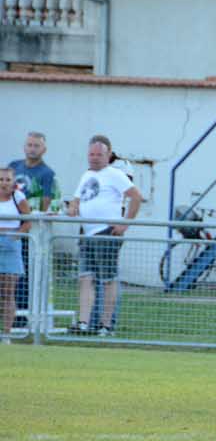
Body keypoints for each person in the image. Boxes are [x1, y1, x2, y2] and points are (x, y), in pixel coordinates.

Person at [64, 135, 142, 337]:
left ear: (108, 155)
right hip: (87, 233)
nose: (95, 158)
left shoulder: (115, 174)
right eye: (91, 154)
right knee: (85, 278)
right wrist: (73, 207)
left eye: (99, 154)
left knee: (108, 279)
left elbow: (135, 197)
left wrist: (125, 223)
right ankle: (83, 322)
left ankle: (106, 325)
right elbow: (76, 199)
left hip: (105, 232)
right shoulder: (86, 175)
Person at [8, 131, 54, 324]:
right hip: (7, 227)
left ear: (44, 149)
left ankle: (21, 318)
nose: (32, 149)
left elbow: (45, 204)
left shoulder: (46, 173)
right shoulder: (13, 167)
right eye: (29, 145)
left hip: (27, 232)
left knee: (21, 274)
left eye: (36, 145)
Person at [0, 168, 31, 340]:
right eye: (1, 179)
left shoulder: (18, 197)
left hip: (10, 245)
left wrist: (15, 235)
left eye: (7, 179)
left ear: (13, 182)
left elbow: (28, 221)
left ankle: (6, 333)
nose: (4, 183)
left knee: (7, 291)